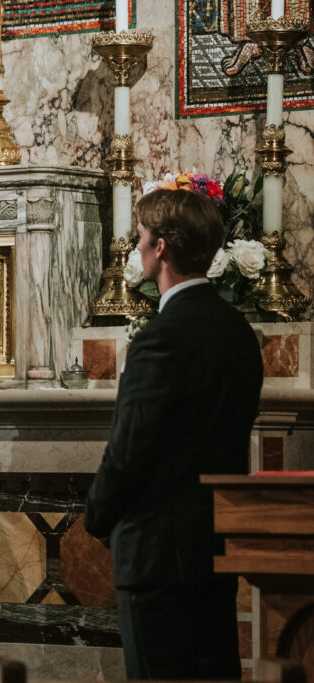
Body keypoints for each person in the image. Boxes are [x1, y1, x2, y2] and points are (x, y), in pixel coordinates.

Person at [84, 189, 263, 679]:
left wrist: (97, 515)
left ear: (161, 247)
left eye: (140, 237)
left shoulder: (161, 338)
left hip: (158, 553)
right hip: (213, 545)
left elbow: (130, 449)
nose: (137, 247)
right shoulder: (238, 331)